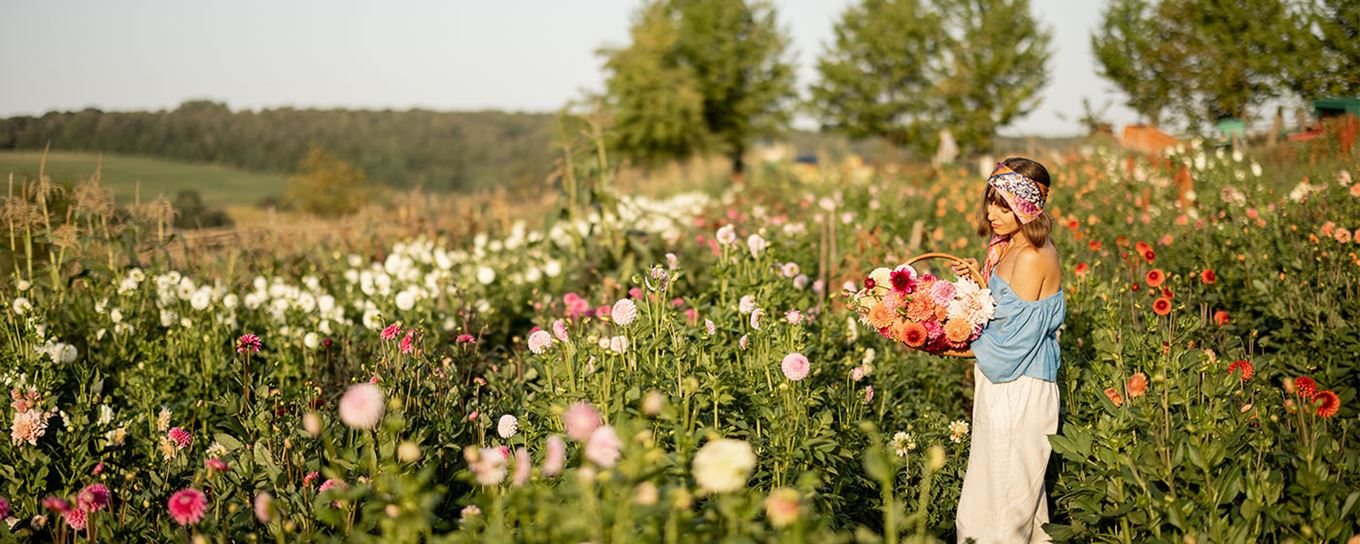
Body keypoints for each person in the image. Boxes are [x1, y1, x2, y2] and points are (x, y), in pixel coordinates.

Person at [950, 157, 1065, 543]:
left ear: (1027, 207)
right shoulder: (1009, 246)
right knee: (1012, 501)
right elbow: (1007, 313)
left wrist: (953, 343)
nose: (991, 212)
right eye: (990, 200)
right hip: (1004, 384)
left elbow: (1012, 345)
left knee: (1003, 505)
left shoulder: (1033, 256)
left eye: (1004, 204)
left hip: (1020, 387)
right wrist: (980, 284)